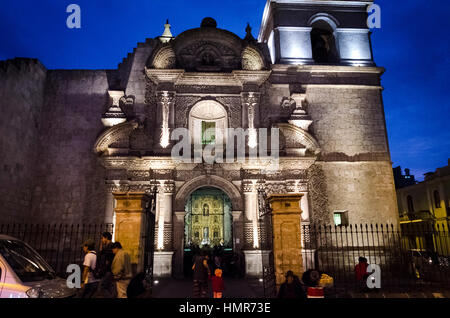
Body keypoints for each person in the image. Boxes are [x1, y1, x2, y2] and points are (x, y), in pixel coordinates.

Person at [94, 232, 115, 297]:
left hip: (107, 271)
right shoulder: (106, 247)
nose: (101, 240)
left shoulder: (110, 247)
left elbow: (107, 260)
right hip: (106, 271)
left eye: (102, 238)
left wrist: (102, 270)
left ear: (106, 238)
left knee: (101, 288)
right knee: (108, 288)